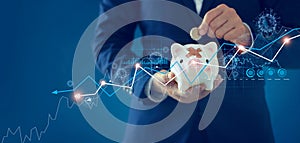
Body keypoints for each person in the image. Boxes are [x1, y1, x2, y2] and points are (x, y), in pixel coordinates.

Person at [93, 0, 299, 142]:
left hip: (242, 129)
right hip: (156, 129)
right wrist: (150, 79)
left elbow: (296, 40)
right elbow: (107, 43)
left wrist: (249, 37)